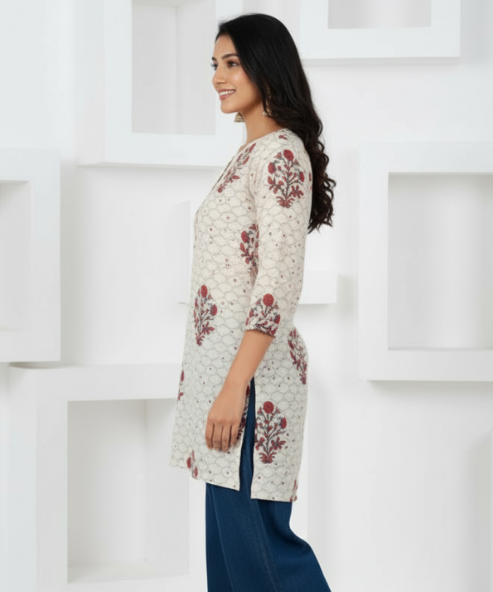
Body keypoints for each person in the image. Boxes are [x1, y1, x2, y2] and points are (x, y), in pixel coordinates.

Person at [168, 12, 336, 592]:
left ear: (267, 66)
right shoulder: (252, 153)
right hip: (228, 380)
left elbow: (278, 281)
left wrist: (235, 387)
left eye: (232, 63)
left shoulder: (280, 154)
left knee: (264, 557)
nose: (217, 76)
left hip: (252, 385)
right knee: (232, 567)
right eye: (215, 64)